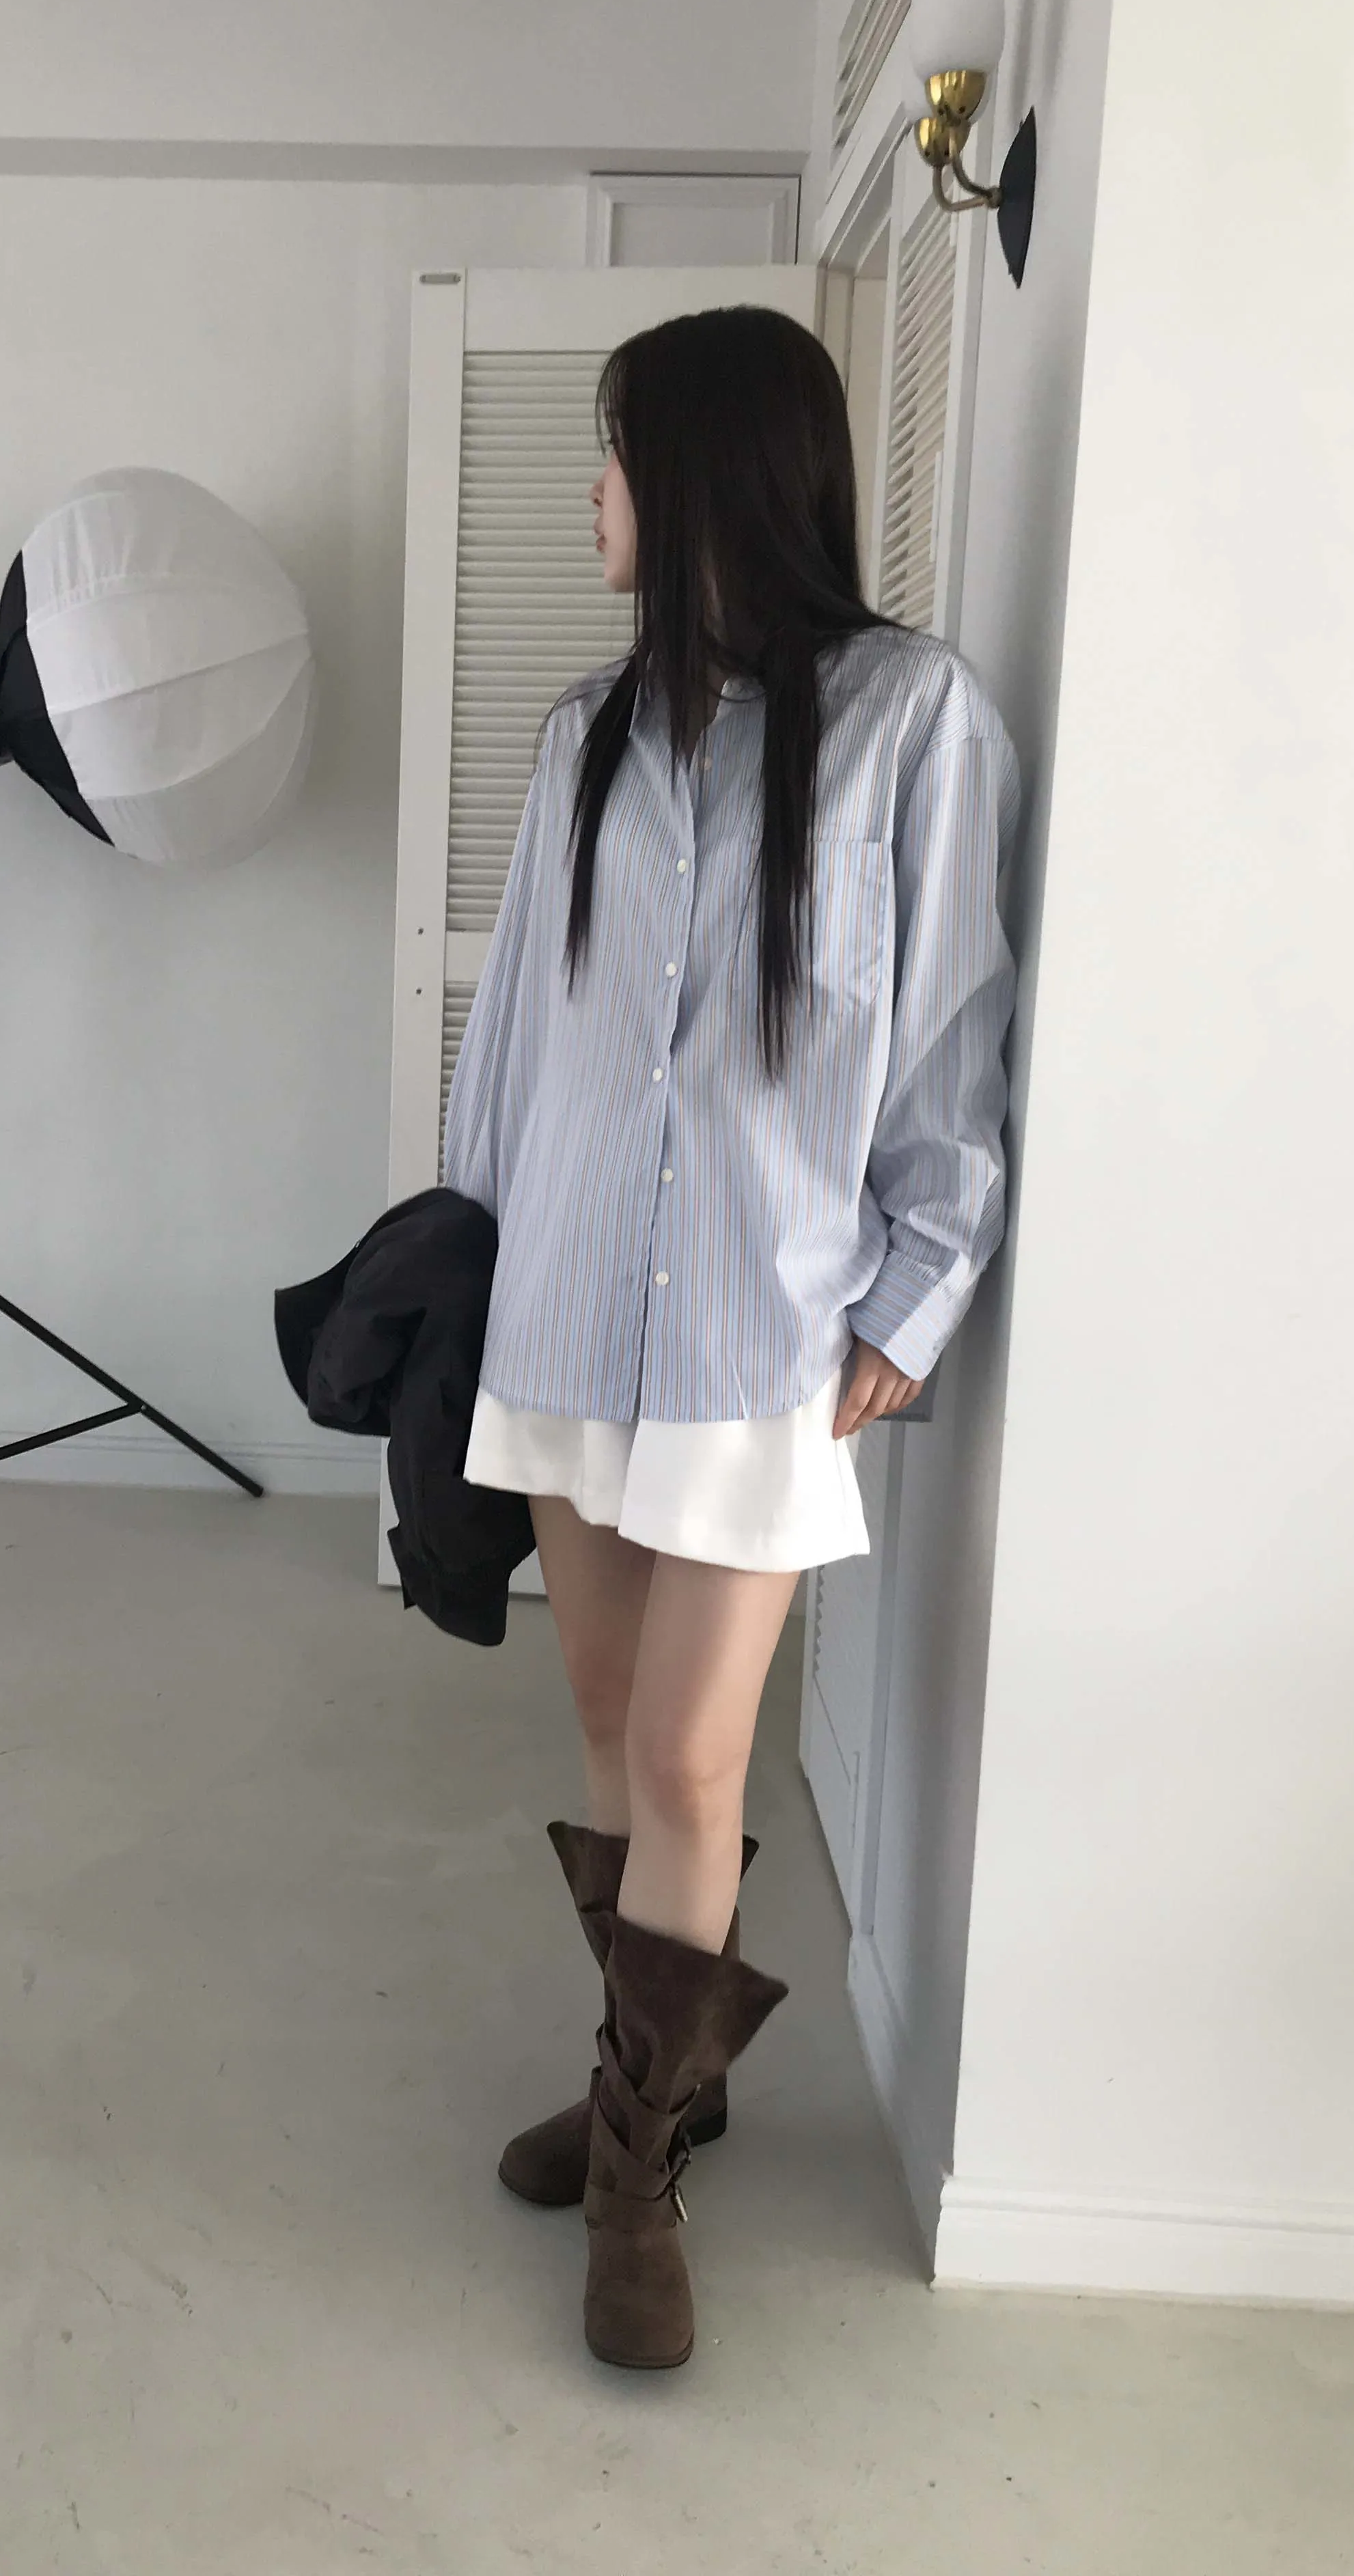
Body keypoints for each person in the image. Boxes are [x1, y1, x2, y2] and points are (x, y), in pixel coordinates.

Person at [440, 304, 1019, 2370]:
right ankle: (655, 2086)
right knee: (613, 1732)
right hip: (566, 1310)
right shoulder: (582, 734)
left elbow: (949, 1029)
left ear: (701, 474)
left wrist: (917, 1286)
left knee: (695, 1750)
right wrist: (465, 1266)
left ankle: (635, 2189)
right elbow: (518, 1035)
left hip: (760, 1329)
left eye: (613, 457)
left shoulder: (909, 721)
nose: (593, 498)